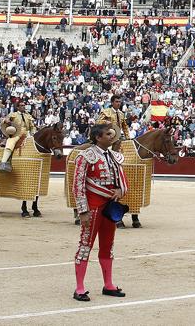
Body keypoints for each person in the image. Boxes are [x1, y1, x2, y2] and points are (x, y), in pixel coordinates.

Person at [71, 123, 128, 302]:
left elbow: (122, 180)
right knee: (85, 245)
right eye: (107, 134)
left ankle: (108, 285)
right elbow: (78, 184)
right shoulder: (86, 156)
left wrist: (120, 191)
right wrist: (83, 210)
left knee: (107, 246)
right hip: (93, 207)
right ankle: (79, 288)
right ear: (97, 137)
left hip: (110, 207)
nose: (111, 136)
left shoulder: (114, 157)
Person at [0, 107, 37, 172]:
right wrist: (6, 121)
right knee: (11, 142)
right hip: (17, 133)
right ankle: (3, 163)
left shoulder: (28, 116)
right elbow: (4, 120)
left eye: (24, 105)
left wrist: (33, 133)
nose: (23, 107)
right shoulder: (13, 114)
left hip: (27, 133)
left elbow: (32, 127)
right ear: (18, 107)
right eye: (22, 105)